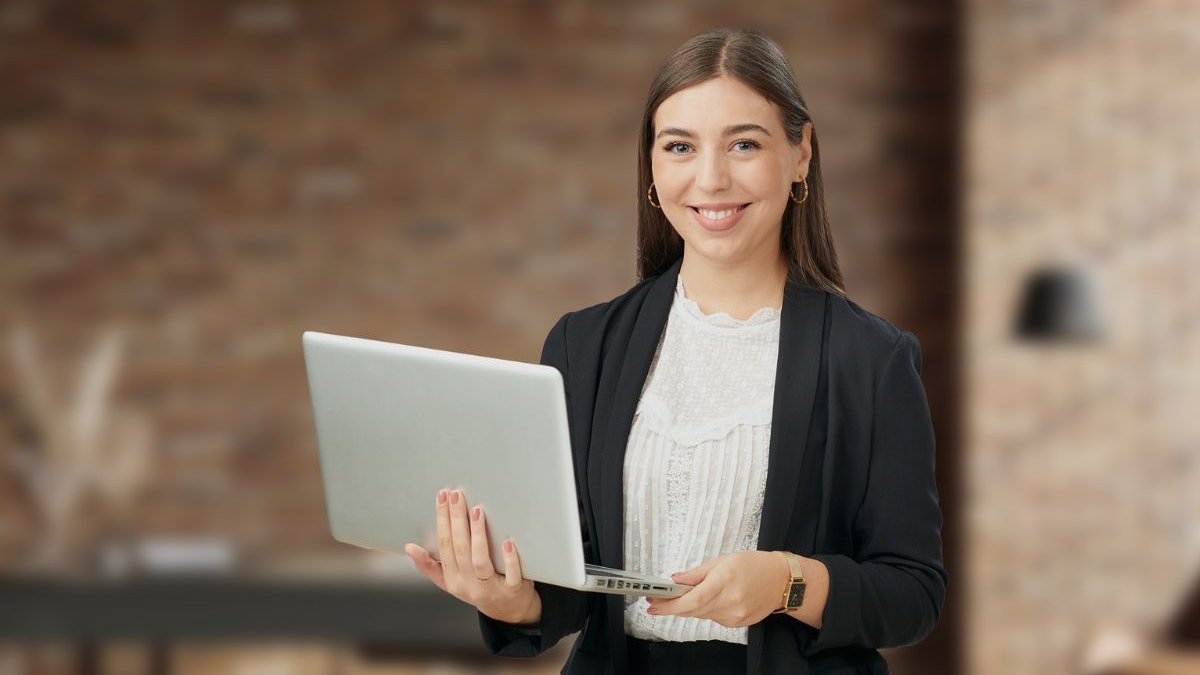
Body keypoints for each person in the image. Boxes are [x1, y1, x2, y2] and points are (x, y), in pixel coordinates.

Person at [404, 28, 947, 675]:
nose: (711, 178)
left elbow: (913, 591)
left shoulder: (870, 360)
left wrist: (785, 582)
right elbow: (570, 578)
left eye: (744, 143)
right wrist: (513, 597)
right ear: (653, 171)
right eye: (680, 147)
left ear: (800, 154)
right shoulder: (585, 344)